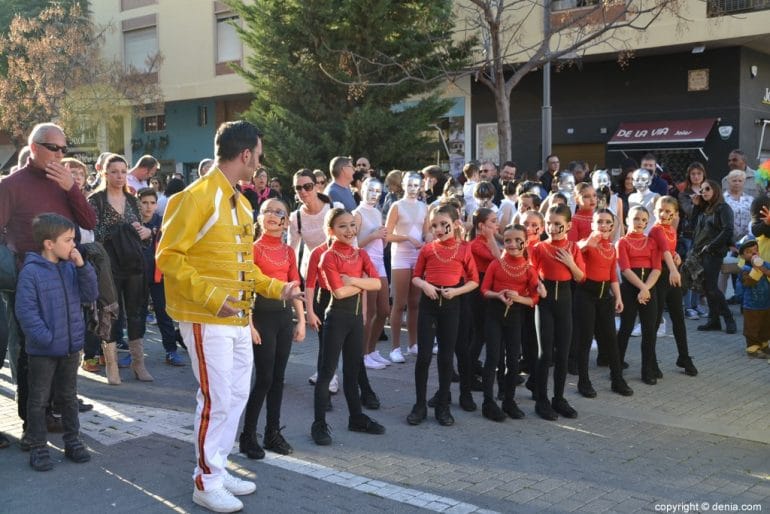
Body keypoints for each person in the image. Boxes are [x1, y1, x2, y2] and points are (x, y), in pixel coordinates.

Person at [157, 120, 300, 513]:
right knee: (217, 399)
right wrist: (213, 296)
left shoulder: (238, 199)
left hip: (235, 317)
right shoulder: (197, 195)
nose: (260, 161)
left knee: (235, 396)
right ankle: (205, 481)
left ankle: (217, 468)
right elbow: (168, 256)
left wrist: (278, 288)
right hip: (207, 316)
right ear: (246, 154)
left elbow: (244, 268)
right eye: (259, 153)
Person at [0, 122, 96, 443]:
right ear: (36, 147)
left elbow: (89, 222)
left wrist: (72, 188)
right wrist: (15, 265)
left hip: (64, 278)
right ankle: (31, 424)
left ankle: (54, 413)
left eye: (64, 149)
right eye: (55, 149)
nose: (61, 155)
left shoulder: (63, 183)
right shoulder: (11, 185)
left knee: (63, 347)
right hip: (27, 280)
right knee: (27, 352)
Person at [14, 213, 98, 471]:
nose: (73, 244)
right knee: (38, 400)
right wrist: (47, 339)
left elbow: (91, 293)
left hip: (70, 347)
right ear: (49, 244)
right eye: (68, 240)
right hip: (44, 350)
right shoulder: (31, 272)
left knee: (68, 397)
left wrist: (83, 266)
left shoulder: (72, 266)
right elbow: (26, 312)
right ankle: (38, 445)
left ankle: (73, 441)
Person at [311, 208, 385, 445]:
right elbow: (339, 292)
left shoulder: (361, 254)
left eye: (352, 225)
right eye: (342, 226)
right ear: (331, 230)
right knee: (326, 373)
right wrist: (365, 284)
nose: (350, 230)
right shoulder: (328, 257)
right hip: (336, 319)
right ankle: (319, 424)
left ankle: (356, 418)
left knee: (353, 372)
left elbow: (377, 284)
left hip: (354, 320)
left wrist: (354, 281)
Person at [240, 199, 305, 459]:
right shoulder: (252, 249)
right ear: (259, 217)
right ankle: (248, 435)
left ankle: (272, 433)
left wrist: (300, 320)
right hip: (262, 317)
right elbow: (245, 287)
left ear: (286, 221)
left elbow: (294, 286)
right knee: (264, 379)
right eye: (267, 210)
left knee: (278, 379)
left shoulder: (289, 251)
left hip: (283, 318)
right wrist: (250, 323)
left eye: (279, 212)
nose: (273, 215)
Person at [407, 204, 479, 426]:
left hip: (451, 305)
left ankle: (443, 406)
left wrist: (456, 291)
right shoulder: (428, 249)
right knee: (424, 357)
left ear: (456, 224)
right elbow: (415, 276)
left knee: (447, 357)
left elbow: (474, 281)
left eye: (443, 224)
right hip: (429, 306)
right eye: (434, 225)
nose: (438, 229)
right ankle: (419, 405)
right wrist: (425, 285)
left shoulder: (465, 250)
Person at [89, 154, 154, 384]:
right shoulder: (95, 200)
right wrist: (118, 231)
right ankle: (112, 366)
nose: (119, 176)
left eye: (123, 171)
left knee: (136, 312)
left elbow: (142, 232)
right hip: (109, 265)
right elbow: (92, 235)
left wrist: (145, 232)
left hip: (133, 263)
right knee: (111, 312)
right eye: (114, 171)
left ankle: (139, 364)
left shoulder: (133, 199)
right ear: (105, 173)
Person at [529, 204, 585, 420]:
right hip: (545, 301)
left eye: (558, 225)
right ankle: (541, 400)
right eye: (549, 224)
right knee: (545, 354)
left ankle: (559, 398)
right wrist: (537, 284)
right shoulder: (539, 247)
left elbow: (581, 277)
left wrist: (571, 263)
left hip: (565, 300)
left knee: (563, 353)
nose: (553, 228)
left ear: (568, 226)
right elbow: (531, 270)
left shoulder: (573, 247)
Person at [288, 169, 342, 391]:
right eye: (298, 188)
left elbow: (349, 239)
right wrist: (289, 282)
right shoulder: (296, 217)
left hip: (337, 274)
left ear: (317, 186)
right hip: (313, 275)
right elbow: (291, 250)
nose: (303, 192)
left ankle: (331, 373)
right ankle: (327, 373)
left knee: (335, 327)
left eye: (307, 186)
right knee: (320, 326)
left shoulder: (333, 209)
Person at [480, 224, 538, 421]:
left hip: (515, 316)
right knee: (493, 358)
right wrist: (499, 295)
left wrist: (518, 298)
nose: (512, 244)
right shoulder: (496, 264)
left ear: (526, 242)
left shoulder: (529, 269)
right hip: (493, 314)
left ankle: (509, 400)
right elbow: (484, 290)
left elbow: (535, 299)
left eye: (516, 240)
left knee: (513, 360)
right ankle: (488, 402)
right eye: (507, 241)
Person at [574, 210, 633, 398]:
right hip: (585, 295)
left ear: (613, 226)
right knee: (585, 340)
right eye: (599, 222)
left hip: (604, 296)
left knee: (611, 340)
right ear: (593, 224)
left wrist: (619, 297)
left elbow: (612, 275)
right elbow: (576, 249)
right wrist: (587, 243)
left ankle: (617, 379)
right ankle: (584, 382)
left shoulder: (611, 247)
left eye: (608, 222)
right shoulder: (587, 243)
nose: (604, 225)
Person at [649, 196, 698, 376]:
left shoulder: (671, 229)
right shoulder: (656, 229)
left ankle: (684, 357)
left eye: (668, 211)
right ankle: (651, 359)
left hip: (670, 274)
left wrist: (676, 255)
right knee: (655, 319)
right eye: (660, 210)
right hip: (659, 275)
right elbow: (662, 249)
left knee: (678, 317)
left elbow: (670, 250)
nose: (664, 214)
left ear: (675, 214)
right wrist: (674, 269)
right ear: (655, 211)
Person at [136, 187, 185, 366]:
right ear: (137, 203)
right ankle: (136, 354)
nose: (149, 207)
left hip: (159, 276)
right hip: (137, 276)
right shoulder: (132, 222)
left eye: (152, 203)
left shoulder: (162, 223)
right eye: (144, 203)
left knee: (164, 315)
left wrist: (154, 232)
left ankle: (170, 351)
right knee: (137, 315)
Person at [616, 206, 662, 385]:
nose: (640, 223)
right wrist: (642, 288)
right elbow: (625, 269)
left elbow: (657, 268)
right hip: (630, 288)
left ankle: (647, 369)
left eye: (644, 220)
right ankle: (617, 365)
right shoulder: (622, 242)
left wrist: (646, 289)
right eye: (636, 218)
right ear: (628, 220)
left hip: (649, 288)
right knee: (626, 328)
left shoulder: (652, 242)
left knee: (649, 331)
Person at [385, 172, 427, 363]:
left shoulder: (423, 207)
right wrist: (407, 238)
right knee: (399, 303)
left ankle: (413, 344)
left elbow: (427, 234)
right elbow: (387, 235)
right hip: (400, 256)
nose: (412, 188)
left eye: (416, 185)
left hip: (417, 256)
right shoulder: (397, 205)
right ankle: (395, 347)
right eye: (409, 184)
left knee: (415, 302)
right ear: (403, 185)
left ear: (420, 186)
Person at [353, 178, 391, 369]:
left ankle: (372, 350)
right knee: (368, 313)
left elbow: (380, 241)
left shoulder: (377, 212)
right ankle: (362, 355)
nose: (374, 194)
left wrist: (383, 238)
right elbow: (354, 246)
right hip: (365, 266)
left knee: (384, 310)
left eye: (378, 191)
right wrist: (373, 236)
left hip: (379, 263)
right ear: (362, 189)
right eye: (370, 190)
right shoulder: (357, 214)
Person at [692, 179, 736, 334]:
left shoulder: (723, 208)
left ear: (715, 190)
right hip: (701, 252)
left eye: (707, 189)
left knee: (711, 287)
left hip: (714, 252)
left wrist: (711, 246)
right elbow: (693, 227)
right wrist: (697, 206)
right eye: (702, 189)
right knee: (706, 287)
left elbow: (728, 229)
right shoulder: (705, 209)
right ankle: (714, 320)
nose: (703, 192)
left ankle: (729, 319)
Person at [677, 162, 707, 320]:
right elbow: (689, 211)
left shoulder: (708, 191)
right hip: (688, 236)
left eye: (699, 174)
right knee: (689, 271)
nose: (696, 176)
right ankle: (687, 307)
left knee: (700, 272)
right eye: (693, 174)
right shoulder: (684, 194)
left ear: (703, 175)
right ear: (689, 176)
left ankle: (696, 304)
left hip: (704, 236)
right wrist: (700, 203)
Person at [722, 169, 754, 301]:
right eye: (734, 180)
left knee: (744, 269)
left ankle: (742, 300)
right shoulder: (723, 199)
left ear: (744, 182)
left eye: (740, 180)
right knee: (723, 271)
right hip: (726, 240)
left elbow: (754, 219)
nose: (737, 183)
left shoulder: (750, 199)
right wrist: (729, 243)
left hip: (745, 241)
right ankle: (719, 303)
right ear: (729, 182)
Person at [738, 239, 770, 357]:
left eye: (756, 250)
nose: (754, 254)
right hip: (751, 305)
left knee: (765, 324)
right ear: (742, 256)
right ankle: (752, 347)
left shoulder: (764, 264)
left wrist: (763, 269)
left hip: (766, 303)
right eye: (749, 252)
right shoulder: (745, 270)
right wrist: (756, 270)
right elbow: (748, 283)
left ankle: (764, 343)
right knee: (752, 325)